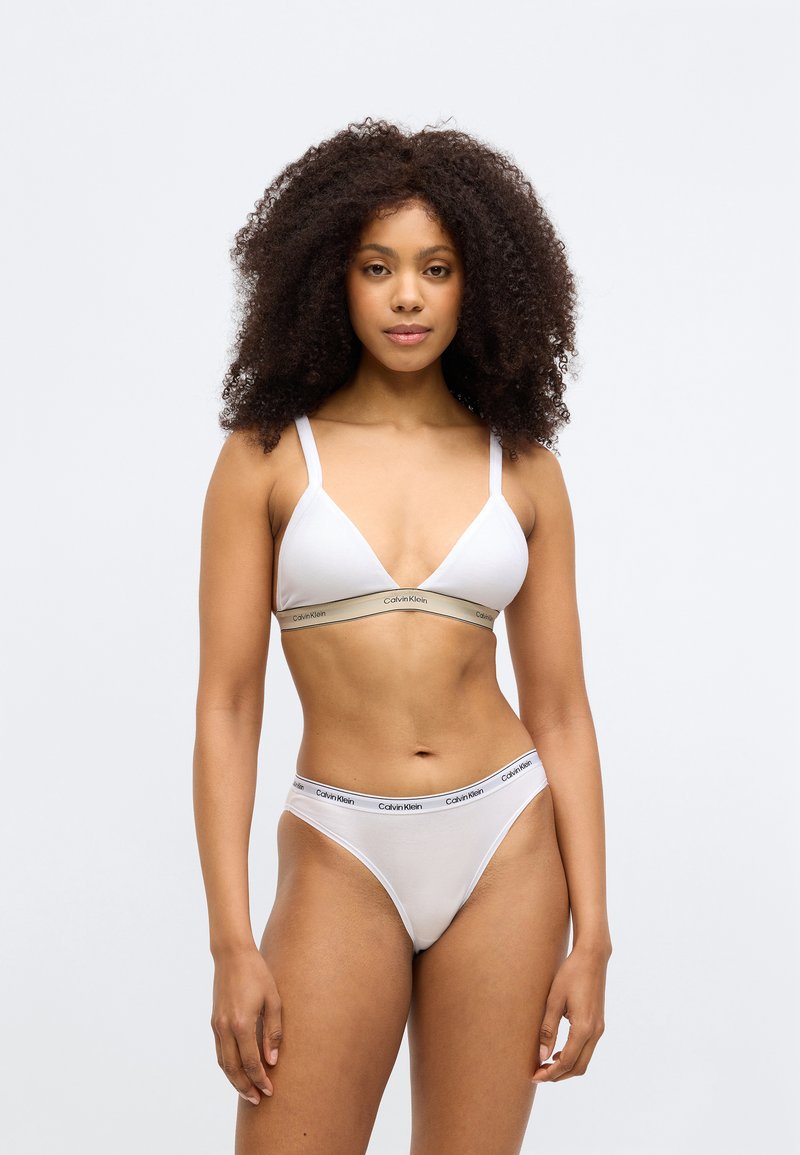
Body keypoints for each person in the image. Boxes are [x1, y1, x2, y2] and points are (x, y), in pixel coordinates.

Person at [193, 117, 612, 1155]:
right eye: (377, 267)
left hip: (507, 844)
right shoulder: (266, 458)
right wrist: (231, 941)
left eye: (436, 268)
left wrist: (594, 934)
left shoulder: (522, 467)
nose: (407, 296)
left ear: (480, 285)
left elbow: (560, 709)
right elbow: (229, 704)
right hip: (342, 847)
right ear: (329, 278)